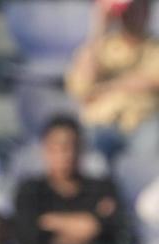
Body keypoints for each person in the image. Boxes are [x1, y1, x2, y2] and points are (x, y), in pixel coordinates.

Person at [13, 115, 137, 244]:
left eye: (71, 146)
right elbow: (30, 241)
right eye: (58, 147)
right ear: (45, 149)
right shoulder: (31, 190)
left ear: (81, 149)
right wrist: (89, 225)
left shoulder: (102, 187)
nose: (65, 154)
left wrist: (53, 222)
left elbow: (116, 235)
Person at [65, 0, 159, 160]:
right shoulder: (100, 47)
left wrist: (105, 87)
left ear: (148, 10)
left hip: (143, 125)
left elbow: (153, 81)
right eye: (129, 9)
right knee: (88, 155)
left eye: (139, 7)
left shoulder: (155, 48)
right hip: (101, 124)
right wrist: (99, 28)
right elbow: (82, 87)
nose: (134, 14)